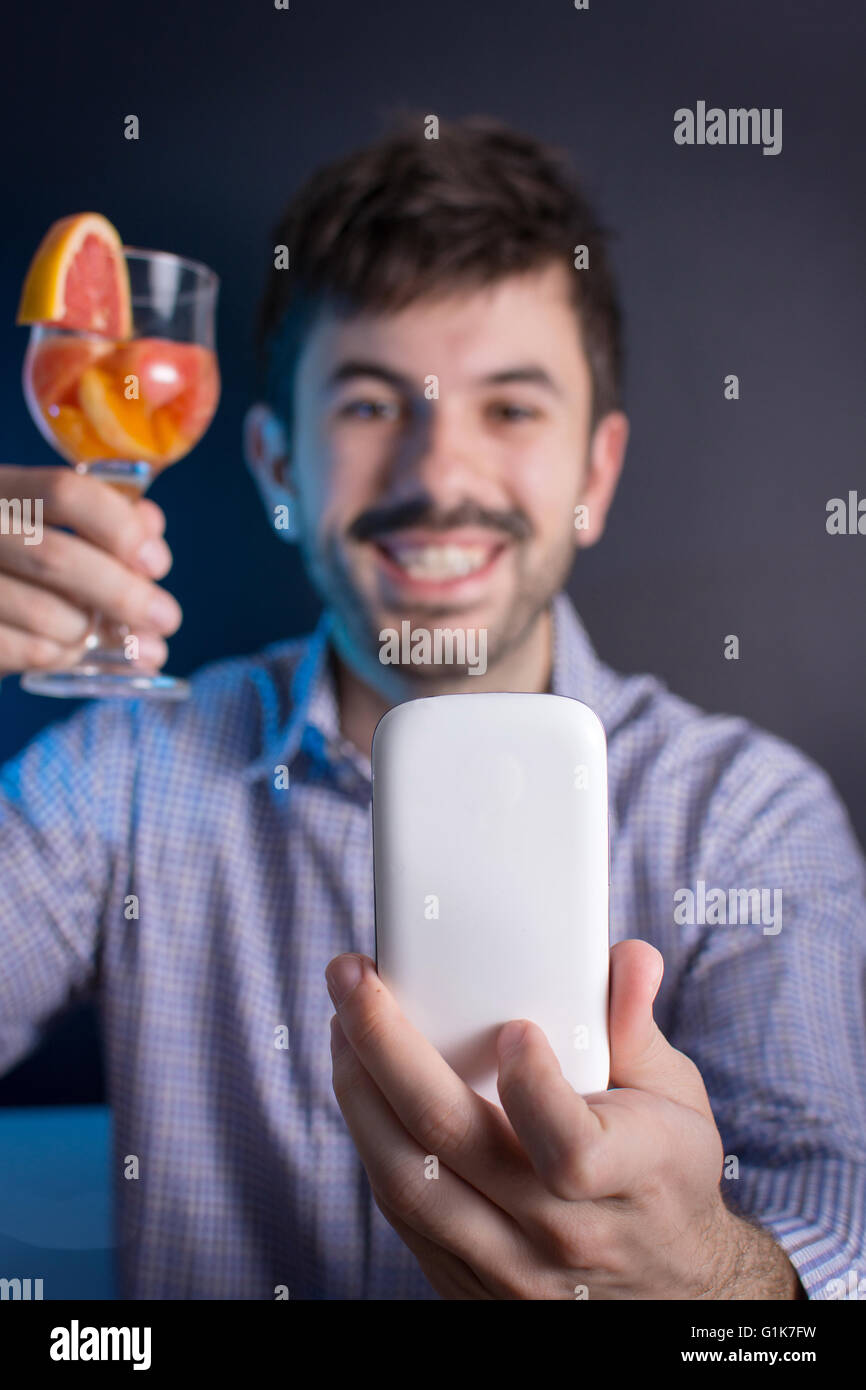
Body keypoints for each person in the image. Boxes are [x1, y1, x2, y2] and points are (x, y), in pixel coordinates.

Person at [1, 115, 863, 1301]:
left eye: (509, 408)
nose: (437, 476)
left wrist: (721, 1285)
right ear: (274, 470)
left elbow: (837, 1227)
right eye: (366, 405)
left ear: (592, 476)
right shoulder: (117, 775)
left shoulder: (748, 815)